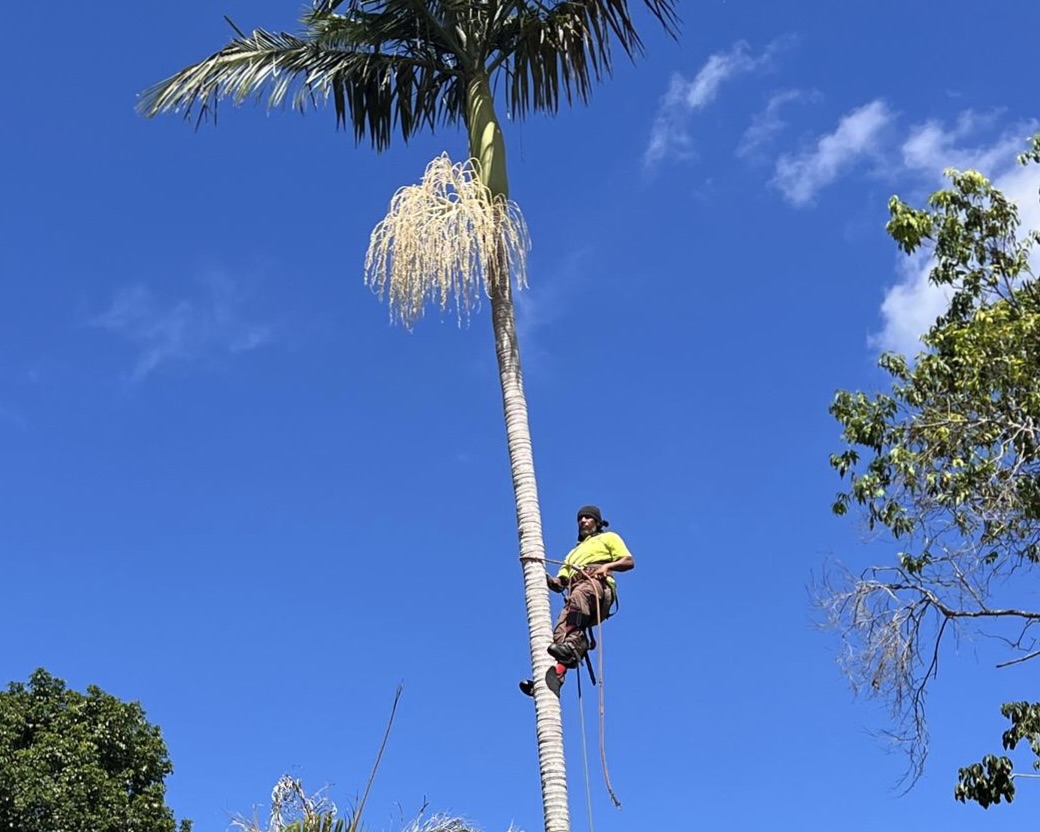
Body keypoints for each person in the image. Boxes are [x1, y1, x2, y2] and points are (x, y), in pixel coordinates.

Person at [520, 504, 635, 696]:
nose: (582, 521)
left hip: (596, 585)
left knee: (579, 598)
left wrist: (607, 567)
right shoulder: (572, 554)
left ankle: (575, 644)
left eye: (588, 518)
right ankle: (550, 679)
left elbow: (628, 561)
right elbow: (562, 582)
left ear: (597, 522)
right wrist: (549, 580)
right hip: (577, 594)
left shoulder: (608, 537)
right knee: (558, 634)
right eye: (580, 519)